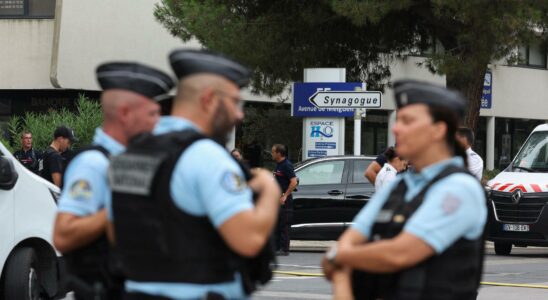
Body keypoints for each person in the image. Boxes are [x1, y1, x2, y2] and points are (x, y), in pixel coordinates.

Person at [107, 49, 281, 300]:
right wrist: (270, 190)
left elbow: (117, 234)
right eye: (234, 101)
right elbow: (249, 239)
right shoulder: (207, 157)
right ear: (209, 99)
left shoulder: (127, 155)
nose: (239, 114)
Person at [322, 80, 487, 300]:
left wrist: (340, 258)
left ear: (438, 130)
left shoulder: (459, 188)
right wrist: (341, 261)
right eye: (398, 120)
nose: (396, 128)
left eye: (408, 121)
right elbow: (347, 243)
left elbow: (398, 254)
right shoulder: (400, 185)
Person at [53, 62, 175, 300]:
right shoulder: (93, 164)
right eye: (152, 113)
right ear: (125, 113)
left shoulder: (128, 161)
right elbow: (63, 235)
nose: (157, 122)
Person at [271, 143, 298, 256]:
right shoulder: (278, 165)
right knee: (277, 225)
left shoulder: (286, 165)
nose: (271, 154)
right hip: (277, 199)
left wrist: (285, 195)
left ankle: (284, 249)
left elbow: (293, 181)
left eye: (273, 152)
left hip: (284, 201)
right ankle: (277, 247)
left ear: (279, 153)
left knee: (284, 225)